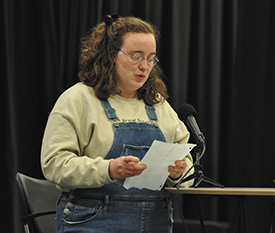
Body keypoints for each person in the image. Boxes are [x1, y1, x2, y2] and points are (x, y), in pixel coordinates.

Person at [41, 14, 194, 233]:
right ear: (112, 55)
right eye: (136, 56)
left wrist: (178, 173)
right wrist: (109, 169)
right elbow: (54, 164)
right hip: (91, 222)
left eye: (151, 58)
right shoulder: (79, 100)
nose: (145, 66)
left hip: (155, 223)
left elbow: (188, 165)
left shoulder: (159, 106)